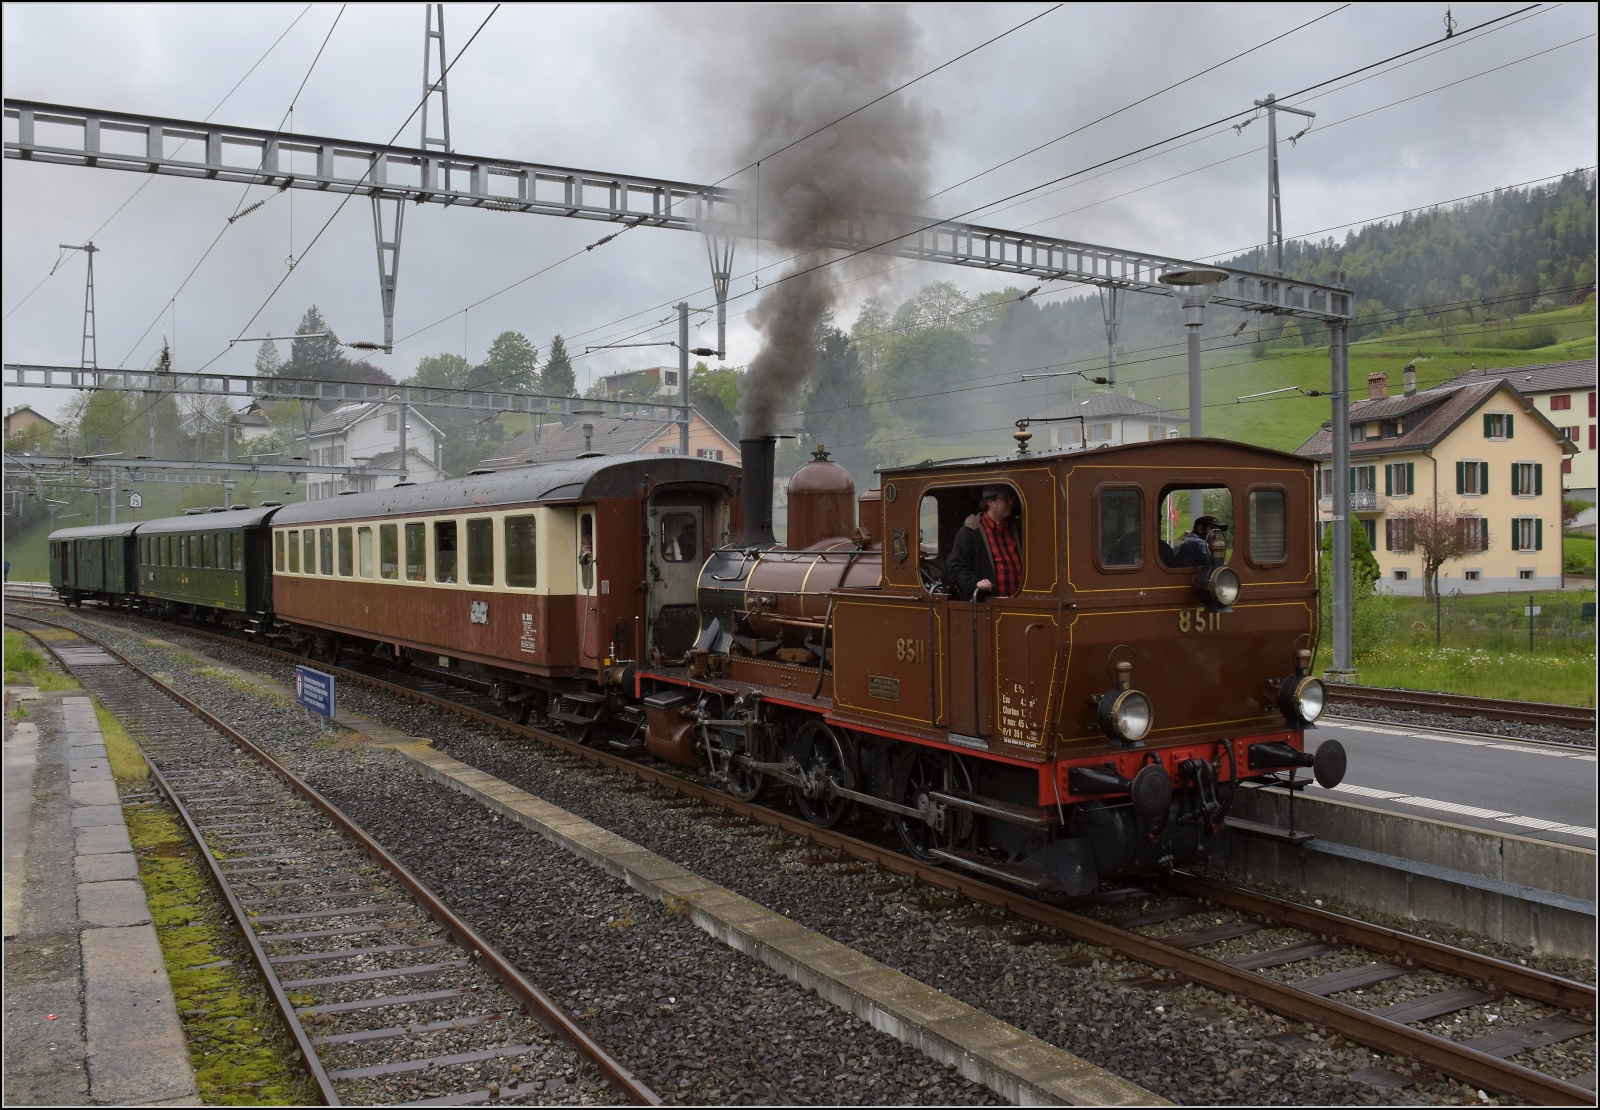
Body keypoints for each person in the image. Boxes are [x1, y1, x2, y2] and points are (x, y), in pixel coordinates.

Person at [946, 485, 1023, 599]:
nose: (1011, 502)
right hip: (989, 603)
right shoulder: (970, 531)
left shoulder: (1017, 528)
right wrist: (975, 583)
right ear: (990, 502)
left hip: (1018, 600)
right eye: (1006, 498)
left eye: (1011, 498)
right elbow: (956, 568)